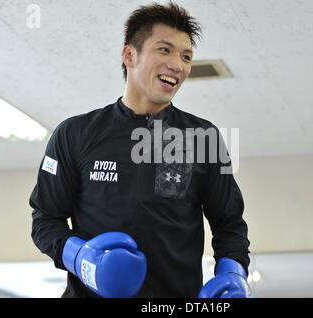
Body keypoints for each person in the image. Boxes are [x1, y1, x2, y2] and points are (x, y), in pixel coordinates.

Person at [30, 1, 250, 298]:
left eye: (186, 56)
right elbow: (45, 219)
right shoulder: (75, 134)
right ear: (129, 55)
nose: (178, 65)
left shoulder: (203, 137)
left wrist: (233, 275)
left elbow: (230, 225)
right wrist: (82, 259)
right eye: (164, 50)